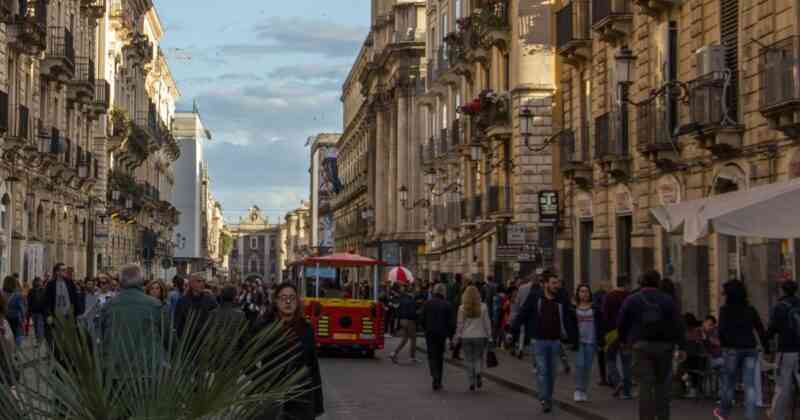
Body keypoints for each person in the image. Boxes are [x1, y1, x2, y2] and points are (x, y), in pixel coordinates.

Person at [617, 270, 685, 420]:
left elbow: (621, 322)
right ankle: (662, 416)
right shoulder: (667, 300)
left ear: (641, 281)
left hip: (641, 346)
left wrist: (623, 341)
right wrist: (682, 346)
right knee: (662, 385)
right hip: (665, 347)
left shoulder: (632, 299)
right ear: (658, 282)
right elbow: (678, 324)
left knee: (645, 386)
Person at [97, 264, 166, 400]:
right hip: (147, 371)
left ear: (121, 281)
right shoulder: (155, 305)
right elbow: (167, 338)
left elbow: (101, 337)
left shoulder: (108, 306)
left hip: (116, 372)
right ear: (142, 281)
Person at [512, 273, 577, 413]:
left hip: (555, 341)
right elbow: (523, 313)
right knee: (542, 371)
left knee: (551, 373)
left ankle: (548, 396)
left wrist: (573, 337)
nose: (556, 286)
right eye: (554, 283)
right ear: (546, 284)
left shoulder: (561, 298)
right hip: (538, 341)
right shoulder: (535, 296)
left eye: (557, 283)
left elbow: (568, 317)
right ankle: (544, 399)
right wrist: (512, 330)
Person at [713, 279, 767, 420]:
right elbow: (760, 329)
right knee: (749, 385)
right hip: (750, 348)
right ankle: (750, 417)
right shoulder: (750, 310)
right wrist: (766, 348)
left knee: (729, 383)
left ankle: (723, 412)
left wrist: (724, 345)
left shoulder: (725, 310)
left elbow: (721, 331)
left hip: (731, 349)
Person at [269, 283, 324, 419]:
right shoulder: (265, 327)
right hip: (272, 397)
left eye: (292, 298)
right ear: (276, 301)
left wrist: (317, 404)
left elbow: (313, 367)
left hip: (301, 398)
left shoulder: (306, 329)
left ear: (297, 301)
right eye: (283, 298)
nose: (288, 302)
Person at [767, 279, 800, 420]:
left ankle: (777, 415)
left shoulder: (779, 307)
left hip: (786, 349)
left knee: (782, 384)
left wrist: (766, 340)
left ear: (783, 290)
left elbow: (772, 328)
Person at [455, 285, 491, 392]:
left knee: (468, 360)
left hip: (466, 336)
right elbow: (487, 323)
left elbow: (460, 324)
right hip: (480, 336)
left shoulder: (462, 308)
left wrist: (457, 336)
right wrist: (490, 336)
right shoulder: (483, 307)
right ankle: (478, 372)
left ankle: (471, 382)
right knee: (478, 358)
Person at [603, 275, 632, 398]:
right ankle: (626, 391)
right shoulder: (630, 297)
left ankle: (617, 381)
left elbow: (604, 315)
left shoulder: (609, 296)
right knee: (626, 362)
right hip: (626, 333)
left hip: (611, 333)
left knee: (610, 359)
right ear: (626, 284)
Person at [573, 284, 603, 402]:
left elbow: (600, 325)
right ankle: (578, 390)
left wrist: (601, 341)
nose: (584, 294)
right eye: (581, 291)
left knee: (587, 368)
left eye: (586, 291)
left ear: (590, 293)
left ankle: (584, 390)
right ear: (578, 293)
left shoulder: (595, 308)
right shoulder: (573, 308)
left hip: (591, 341)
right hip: (580, 341)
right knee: (580, 366)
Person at [421, 283, 454, 391]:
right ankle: (438, 380)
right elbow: (450, 323)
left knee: (431, 355)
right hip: (441, 334)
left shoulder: (428, 303)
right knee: (439, 356)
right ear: (443, 292)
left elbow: (422, 318)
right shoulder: (447, 304)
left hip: (430, 333)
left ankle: (434, 375)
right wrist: (451, 336)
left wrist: (425, 328)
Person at [44, 263, 82, 347]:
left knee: (69, 337)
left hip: (69, 315)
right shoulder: (51, 285)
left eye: (65, 270)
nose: (65, 272)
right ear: (57, 272)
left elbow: (75, 298)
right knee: (58, 337)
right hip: (56, 315)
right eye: (63, 270)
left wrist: (78, 313)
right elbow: (47, 302)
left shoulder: (69, 283)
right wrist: (48, 315)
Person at [174, 273, 218, 340]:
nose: (202, 284)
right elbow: (178, 323)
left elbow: (216, 317)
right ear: (191, 283)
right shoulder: (182, 301)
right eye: (199, 281)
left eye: (203, 281)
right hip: (188, 341)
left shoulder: (210, 299)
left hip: (205, 340)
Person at [210, 286, 246, 352]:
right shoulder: (240, 314)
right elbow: (243, 336)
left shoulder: (213, 313)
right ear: (234, 297)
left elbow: (210, 334)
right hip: (233, 350)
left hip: (216, 350)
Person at [389, 283, 419, 364]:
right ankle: (412, 357)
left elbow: (396, 306)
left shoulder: (400, 297)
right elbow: (411, 308)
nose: (404, 287)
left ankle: (394, 353)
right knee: (413, 338)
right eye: (402, 286)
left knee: (405, 339)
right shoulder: (405, 297)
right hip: (409, 319)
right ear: (399, 288)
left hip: (402, 319)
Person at [3, 276, 26, 347]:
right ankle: (15, 352)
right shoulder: (18, 295)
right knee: (17, 336)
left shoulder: (1, 293)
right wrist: (23, 319)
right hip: (15, 319)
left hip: (4, 319)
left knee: (6, 337)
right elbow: (22, 309)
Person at [27, 277, 46, 344]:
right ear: (34, 282)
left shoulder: (43, 290)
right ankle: (38, 339)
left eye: (39, 281)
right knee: (35, 326)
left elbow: (45, 301)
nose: (38, 283)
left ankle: (40, 340)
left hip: (41, 312)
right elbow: (29, 301)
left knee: (39, 326)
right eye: (37, 281)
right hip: (33, 311)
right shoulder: (31, 291)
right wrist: (29, 311)